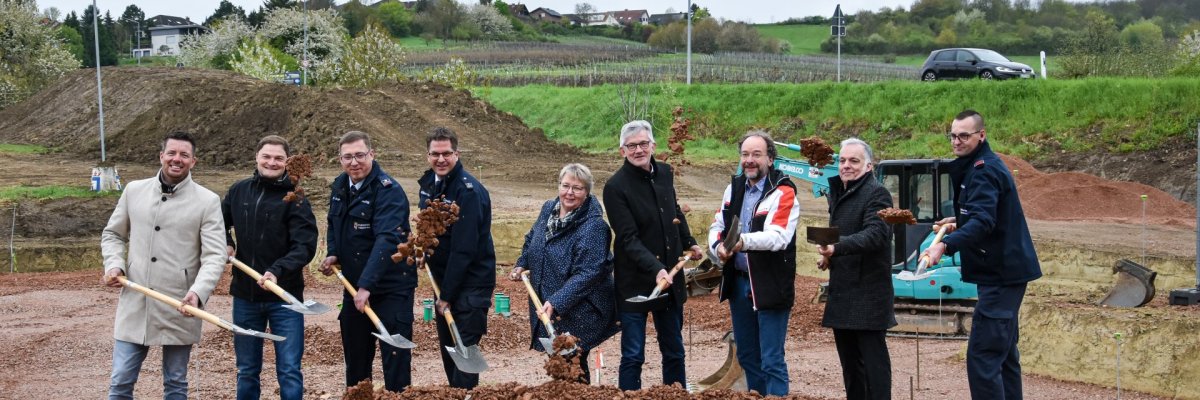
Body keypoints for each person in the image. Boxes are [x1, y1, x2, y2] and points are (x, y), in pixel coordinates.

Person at [921, 109, 1042, 400]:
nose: (957, 141)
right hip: (1005, 274)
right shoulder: (977, 166)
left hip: (1001, 276)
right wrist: (956, 222)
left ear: (981, 135)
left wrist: (945, 246)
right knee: (1004, 356)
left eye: (964, 135)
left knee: (983, 357)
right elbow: (983, 214)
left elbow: (984, 221)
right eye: (953, 135)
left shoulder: (983, 170)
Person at [101, 131, 227, 400]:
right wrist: (114, 265)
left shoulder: (207, 201)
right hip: (136, 301)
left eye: (184, 155)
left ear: (194, 161)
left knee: (175, 383)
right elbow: (113, 234)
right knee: (121, 381)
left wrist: (198, 292)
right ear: (161, 156)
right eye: (171, 153)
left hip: (180, 304)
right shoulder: (134, 191)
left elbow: (215, 255)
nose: (176, 159)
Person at [603, 120, 704, 391]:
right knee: (634, 353)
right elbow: (627, 239)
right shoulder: (615, 187)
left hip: (669, 280)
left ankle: (675, 395)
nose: (638, 150)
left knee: (674, 349)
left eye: (643, 144)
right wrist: (656, 268)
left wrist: (689, 242)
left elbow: (674, 214)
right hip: (634, 282)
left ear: (653, 146)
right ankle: (629, 395)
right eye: (632, 146)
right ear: (622, 151)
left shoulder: (665, 173)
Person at [317, 131, 415, 392]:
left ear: (372, 154)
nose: (354, 162)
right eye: (347, 157)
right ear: (340, 159)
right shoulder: (340, 185)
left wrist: (366, 285)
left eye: (360, 155)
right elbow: (333, 222)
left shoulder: (389, 191)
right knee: (357, 361)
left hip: (391, 288)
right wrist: (334, 252)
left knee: (394, 359)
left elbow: (387, 240)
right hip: (355, 287)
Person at [223, 135, 318, 400]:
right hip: (245, 296)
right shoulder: (238, 190)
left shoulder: (295, 199)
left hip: (284, 298)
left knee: (289, 369)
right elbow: (217, 221)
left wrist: (278, 269)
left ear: (287, 162)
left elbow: (305, 246)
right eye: (267, 156)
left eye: (279, 158)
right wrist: (226, 243)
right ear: (257, 157)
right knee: (246, 369)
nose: (272, 162)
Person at [508, 163, 619, 383]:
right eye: (565, 186)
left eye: (577, 188)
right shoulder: (549, 208)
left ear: (587, 192)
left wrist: (558, 301)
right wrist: (522, 262)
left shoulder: (594, 227)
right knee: (561, 362)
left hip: (583, 308)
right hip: (552, 302)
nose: (569, 192)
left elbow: (589, 273)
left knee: (572, 362)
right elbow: (533, 238)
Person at [707, 130, 799, 396]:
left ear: (770, 159)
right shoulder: (733, 188)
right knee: (747, 357)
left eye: (756, 155)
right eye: (745, 154)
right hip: (738, 284)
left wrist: (741, 242)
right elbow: (718, 225)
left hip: (769, 285)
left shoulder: (783, 191)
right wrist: (718, 247)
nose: (749, 160)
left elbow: (779, 236)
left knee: (771, 360)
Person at [815, 138, 896, 400]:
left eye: (853, 161)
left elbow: (875, 234)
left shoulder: (877, 193)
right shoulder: (841, 192)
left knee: (873, 366)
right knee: (851, 368)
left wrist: (835, 248)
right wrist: (829, 257)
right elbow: (845, 233)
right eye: (842, 160)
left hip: (868, 294)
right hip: (844, 290)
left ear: (869, 165)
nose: (846, 165)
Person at [418, 126, 496, 390]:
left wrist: (446, 295)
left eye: (446, 153)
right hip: (445, 285)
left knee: (464, 356)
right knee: (450, 353)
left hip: (470, 287)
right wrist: (422, 252)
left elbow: (464, 250)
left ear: (456, 153)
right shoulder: (429, 185)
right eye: (435, 154)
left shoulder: (468, 192)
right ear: (428, 155)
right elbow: (428, 230)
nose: (441, 159)